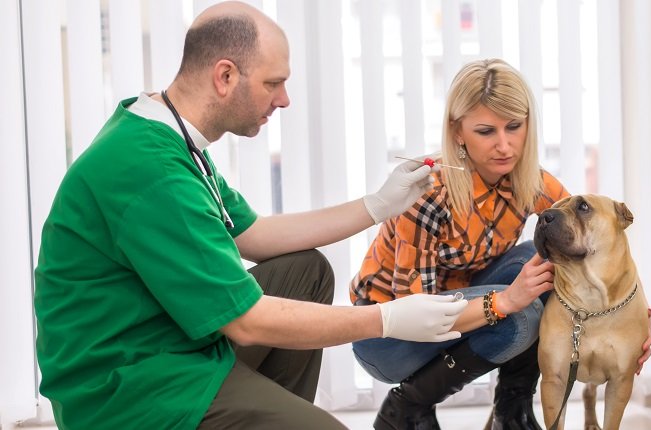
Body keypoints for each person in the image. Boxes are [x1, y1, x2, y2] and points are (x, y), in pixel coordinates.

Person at [33, 2, 469, 429]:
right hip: (125, 386)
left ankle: (259, 412)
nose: (284, 100)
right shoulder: (151, 169)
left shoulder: (170, 135)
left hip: (168, 342)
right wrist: (385, 320)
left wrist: (376, 205)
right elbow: (246, 322)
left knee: (307, 272)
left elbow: (255, 233)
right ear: (225, 76)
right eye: (273, 83)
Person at [350, 58, 651, 430]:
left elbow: (596, 243)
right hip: (389, 335)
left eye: (514, 126)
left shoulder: (530, 182)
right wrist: (507, 300)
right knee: (524, 314)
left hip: (464, 310)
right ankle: (407, 406)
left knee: (544, 255)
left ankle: (511, 411)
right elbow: (417, 313)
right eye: (485, 131)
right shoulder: (428, 195)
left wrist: (635, 322)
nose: (505, 145)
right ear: (457, 131)